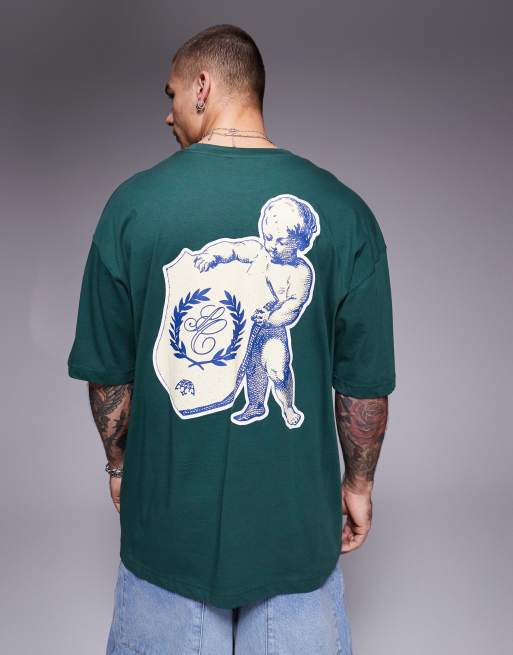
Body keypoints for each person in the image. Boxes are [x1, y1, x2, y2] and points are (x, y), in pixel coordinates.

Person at [67, 23, 396, 655]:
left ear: (202, 86)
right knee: (258, 372)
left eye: (171, 95)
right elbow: (363, 388)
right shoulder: (347, 212)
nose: (167, 115)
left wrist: (120, 466)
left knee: (270, 364)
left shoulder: (132, 207)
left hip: (168, 529)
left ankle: (270, 399)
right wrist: (357, 486)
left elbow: (108, 374)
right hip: (297, 533)